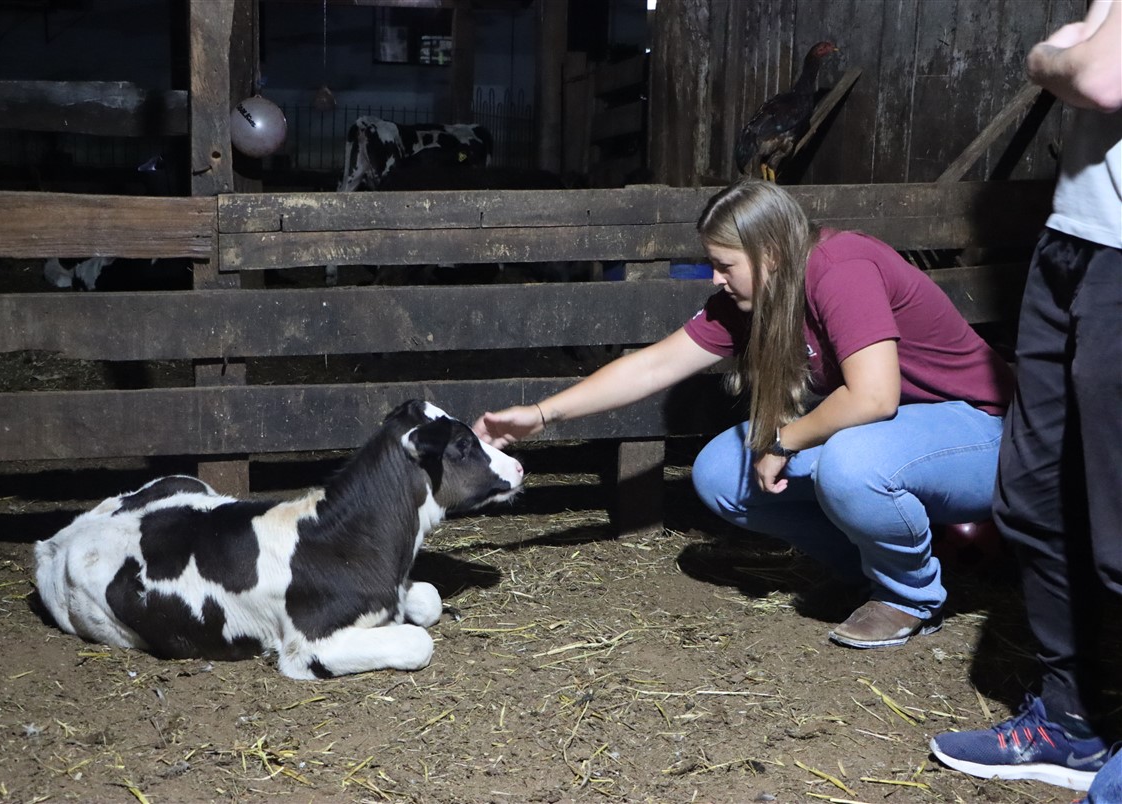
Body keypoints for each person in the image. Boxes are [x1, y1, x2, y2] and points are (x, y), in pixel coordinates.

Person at [473, 178, 1014, 649]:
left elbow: (874, 398)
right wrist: (543, 415)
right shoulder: (749, 300)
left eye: (723, 264)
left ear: (771, 253)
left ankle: (910, 598)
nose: (715, 279)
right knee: (720, 471)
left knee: (850, 462)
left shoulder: (840, 267)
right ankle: (865, 574)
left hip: (983, 435)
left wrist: (784, 439)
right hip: (893, 441)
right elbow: (654, 365)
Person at [930, 0, 1122, 793]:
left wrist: (1050, 59)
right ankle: (1068, 723)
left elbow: (1099, 75)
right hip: (1074, 235)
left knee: (1118, 532)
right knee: (1033, 498)